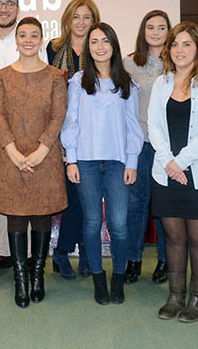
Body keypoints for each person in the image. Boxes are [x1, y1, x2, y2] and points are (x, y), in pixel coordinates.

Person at [148, 21, 198, 323]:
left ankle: (197, 299)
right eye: (175, 44)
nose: (180, 50)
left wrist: (181, 162)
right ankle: (175, 296)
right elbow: (154, 125)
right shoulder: (162, 82)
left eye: (187, 44)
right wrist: (169, 161)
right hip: (166, 171)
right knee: (173, 236)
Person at [60, 22, 143, 305]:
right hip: (86, 163)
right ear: (87, 47)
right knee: (92, 222)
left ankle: (117, 277)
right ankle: (98, 278)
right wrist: (71, 160)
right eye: (94, 41)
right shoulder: (78, 82)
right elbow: (71, 122)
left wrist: (132, 161)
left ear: (114, 46)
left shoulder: (127, 83)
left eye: (105, 41)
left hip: (119, 163)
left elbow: (133, 127)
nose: (99, 46)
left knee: (119, 224)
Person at [0, 17, 67, 308]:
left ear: (40, 39)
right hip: (12, 158)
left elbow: (58, 116)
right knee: (17, 217)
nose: (28, 40)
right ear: (17, 39)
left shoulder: (55, 76)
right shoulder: (2, 76)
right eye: (22, 35)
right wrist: (12, 152)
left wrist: (41, 151)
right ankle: (20, 280)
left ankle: (38, 276)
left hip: (44, 159)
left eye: (34, 35)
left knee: (41, 216)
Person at [0, 0, 47, 273]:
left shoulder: (29, 41)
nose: (3, 8)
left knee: (28, 190)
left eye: (9, 3)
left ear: (18, 8)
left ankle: (28, 254)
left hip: (29, 130)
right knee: (0, 192)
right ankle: (4, 251)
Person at [46, 0, 98, 279]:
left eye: (86, 17)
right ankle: (67, 250)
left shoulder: (100, 48)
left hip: (95, 131)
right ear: (68, 19)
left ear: (94, 21)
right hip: (63, 130)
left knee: (87, 195)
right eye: (76, 17)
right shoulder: (53, 49)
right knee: (75, 196)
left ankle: (75, 250)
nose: (81, 22)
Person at [123, 9, 171, 285]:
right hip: (139, 143)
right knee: (136, 204)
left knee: (163, 205)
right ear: (143, 31)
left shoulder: (177, 62)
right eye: (150, 27)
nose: (155, 32)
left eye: (161, 27)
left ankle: (165, 260)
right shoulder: (130, 64)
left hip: (167, 146)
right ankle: (133, 259)